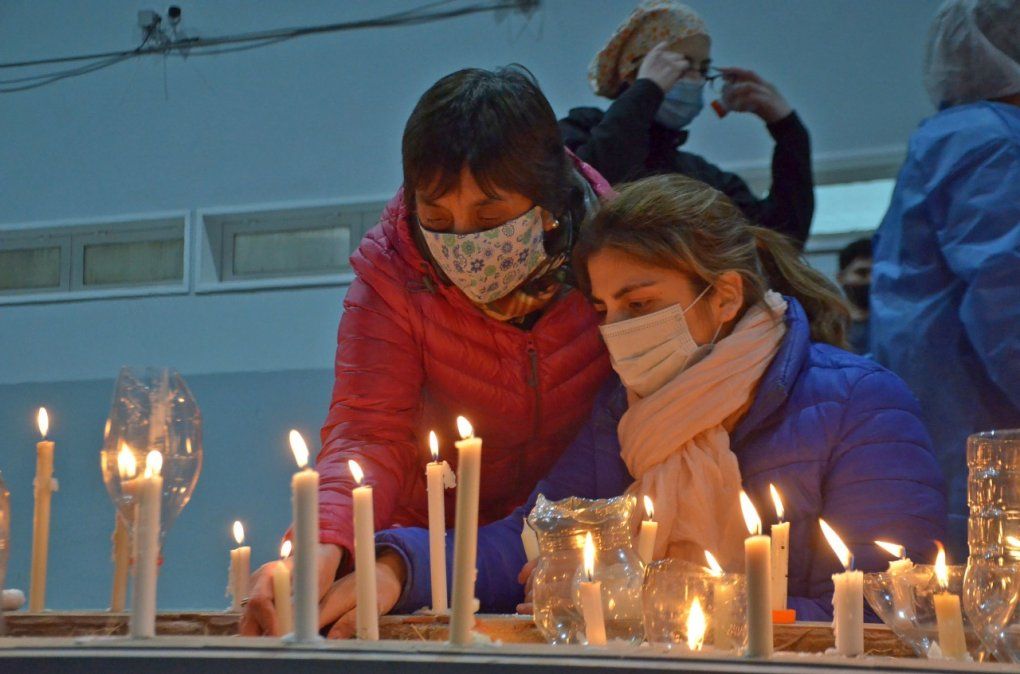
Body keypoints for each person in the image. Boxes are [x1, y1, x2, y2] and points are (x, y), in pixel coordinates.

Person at [315, 175, 945, 635]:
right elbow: (533, 537)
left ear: (724, 296)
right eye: (602, 309)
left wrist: (662, 602)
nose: (616, 329)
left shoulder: (861, 404)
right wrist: (398, 565)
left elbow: (886, 608)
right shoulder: (624, 412)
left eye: (639, 305)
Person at [240, 66, 615, 635]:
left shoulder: (613, 262)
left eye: (489, 217)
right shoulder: (392, 277)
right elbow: (367, 433)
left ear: (550, 202)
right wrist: (323, 543)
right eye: (437, 217)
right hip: (414, 555)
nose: (462, 240)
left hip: (558, 551)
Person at [870, 0, 1020, 560]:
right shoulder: (994, 142)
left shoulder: (956, 134)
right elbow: (1007, 301)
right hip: (987, 436)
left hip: (949, 430)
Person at [560, 0, 814, 246]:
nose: (694, 79)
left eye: (702, 69)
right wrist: (646, 91)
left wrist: (788, 130)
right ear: (633, 71)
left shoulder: (702, 177)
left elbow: (782, 242)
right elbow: (591, 191)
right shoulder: (580, 130)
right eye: (679, 64)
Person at [837, 238, 873, 354]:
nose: (871, 280)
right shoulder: (829, 326)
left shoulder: (896, 326)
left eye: (877, 272)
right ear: (841, 277)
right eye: (862, 273)